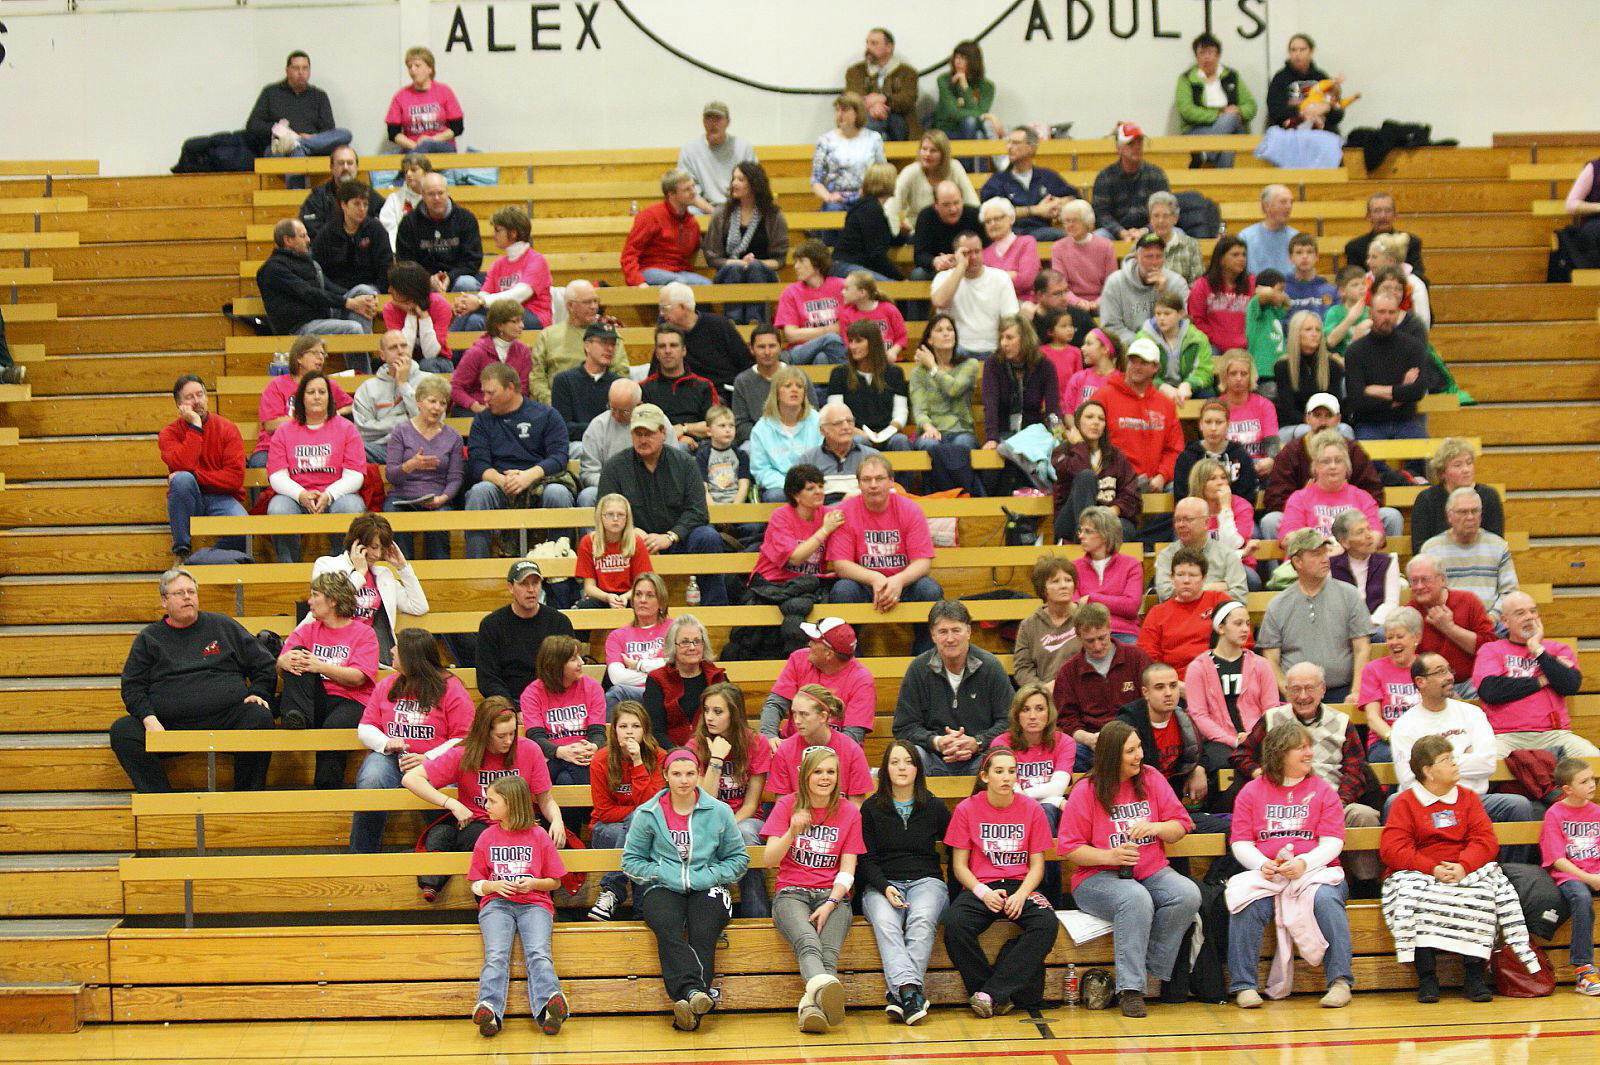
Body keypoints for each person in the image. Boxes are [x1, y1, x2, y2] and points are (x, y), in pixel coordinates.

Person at [1058, 718, 1200, 1018]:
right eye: (1131, 751)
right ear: (1112, 756)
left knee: (1187, 894)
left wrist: (1157, 827)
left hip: (1151, 870)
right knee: (1135, 898)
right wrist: (1110, 856)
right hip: (1097, 877)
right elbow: (1070, 848)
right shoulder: (1086, 790)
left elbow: (1182, 825)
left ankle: (1150, 967)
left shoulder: (1151, 778)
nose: (1139, 756)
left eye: (1139, 748)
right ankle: (1131, 990)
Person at [1380, 735, 1537, 1003]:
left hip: (1465, 868)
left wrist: (1464, 866)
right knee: (1413, 896)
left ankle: (1475, 976)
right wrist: (1431, 869)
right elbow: (1393, 849)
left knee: (1482, 895)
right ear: (1428, 771)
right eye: (1446, 760)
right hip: (1423, 871)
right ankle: (1427, 978)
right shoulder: (1405, 802)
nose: (1455, 763)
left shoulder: (1468, 798)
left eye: (1453, 757)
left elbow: (1485, 841)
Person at [1226, 719, 1353, 1009]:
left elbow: (1333, 842)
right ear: (1280, 754)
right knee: (1244, 901)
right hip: (1269, 874)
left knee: (1326, 900)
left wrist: (1305, 863)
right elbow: (1241, 842)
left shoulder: (1323, 791)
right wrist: (1262, 864)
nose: (1309, 753)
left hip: (1316, 872)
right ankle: (1244, 985)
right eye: (1301, 748)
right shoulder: (1251, 792)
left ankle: (1340, 982)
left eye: (1309, 747)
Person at [113, 569, 276, 794]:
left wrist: (259, 692)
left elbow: (264, 663)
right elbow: (132, 686)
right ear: (164, 601)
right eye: (179, 593)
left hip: (226, 717)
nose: (187, 597)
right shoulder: (149, 638)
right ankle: (161, 801)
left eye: (191, 592)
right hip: (168, 725)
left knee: (259, 716)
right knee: (123, 731)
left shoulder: (223, 626)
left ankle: (247, 798)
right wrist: (149, 718)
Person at [622, 746, 749, 1031]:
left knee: (703, 931)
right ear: (665, 775)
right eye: (677, 774)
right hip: (663, 886)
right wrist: (658, 872)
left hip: (709, 886)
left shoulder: (719, 811)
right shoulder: (648, 813)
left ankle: (688, 1003)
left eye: (690, 774)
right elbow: (630, 861)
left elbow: (739, 860)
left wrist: (712, 874)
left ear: (698, 775)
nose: (684, 780)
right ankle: (696, 994)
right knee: (666, 927)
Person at [402, 695, 565, 901]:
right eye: (501, 736)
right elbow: (411, 778)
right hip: (480, 827)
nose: (508, 741)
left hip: (521, 825)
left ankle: (538, 903)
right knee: (468, 836)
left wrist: (557, 820)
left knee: (546, 838)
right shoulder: (464, 753)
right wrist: (451, 803)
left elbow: (545, 799)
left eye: (512, 733)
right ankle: (490, 901)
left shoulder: (530, 750)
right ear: (484, 733)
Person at [942, 748, 1059, 1016]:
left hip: (1021, 885)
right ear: (984, 776)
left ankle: (990, 994)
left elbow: (1037, 865)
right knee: (955, 925)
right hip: (981, 886)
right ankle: (992, 993)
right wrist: (983, 892)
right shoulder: (966, 809)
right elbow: (959, 866)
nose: (1007, 777)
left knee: (1046, 923)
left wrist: (1022, 894)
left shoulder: (1032, 809)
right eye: (999, 771)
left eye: (1012, 771)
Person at [763, 745, 865, 1033]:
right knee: (808, 943)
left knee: (828, 955)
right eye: (818, 771)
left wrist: (831, 903)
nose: (825, 777)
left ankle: (810, 1009)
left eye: (831, 772)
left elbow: (848, 869)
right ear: (805, 775)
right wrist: (792, 832)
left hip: (833, 895)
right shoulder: (787, 805)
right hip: (791, 892)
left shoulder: (849, 812)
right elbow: (769, 860)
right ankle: (820, 1000)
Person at [349, 627, 474, 853]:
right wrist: (386, 743)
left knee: (443, 788)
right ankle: (362, 856)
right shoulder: (387, 684)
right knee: (371, 780)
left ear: (412, 657)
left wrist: (429, 758)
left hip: (435, 762)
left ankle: (441, 853)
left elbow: (464, 738)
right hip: (391, 758)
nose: (391, 650)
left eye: (398, 647)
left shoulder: (451, 688)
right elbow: (365, 727)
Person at [1389, 652, 1542, 829]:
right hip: (1425, 802)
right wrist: (1464, 757)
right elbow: (1408, 778)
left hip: (1473, 799)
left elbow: (1487, 764)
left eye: (1449, 670)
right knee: (1394, 802)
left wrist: (1435, 764)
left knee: (1518, 805)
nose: (1449, 677)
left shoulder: (1472, 714)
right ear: (1420, 681)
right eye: (1440, 672)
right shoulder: (1404, 725)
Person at [597, 403, 730, 605]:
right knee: (613, 541)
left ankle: (715, 610)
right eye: (638, 434)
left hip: (678, 539)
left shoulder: (686, 463)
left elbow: (699, 511)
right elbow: (603, 511)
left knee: (708, 537)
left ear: (663, 433)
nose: (643, 439)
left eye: (649, 434)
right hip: (632, 543)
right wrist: (631, 532)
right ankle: (617, 606)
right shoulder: (614, 467)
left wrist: (670, 536)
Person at [467, 776, 570, 1038]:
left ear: (511, 804)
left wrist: (534, 883)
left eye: (492, 801)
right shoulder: (486, 836)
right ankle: (489, 1009)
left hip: (534, 905)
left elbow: (555, 882)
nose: (486, 805)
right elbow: (475, 885)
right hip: (497, 905)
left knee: (538, 953)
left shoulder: (539, 836)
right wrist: (492, 886)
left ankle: (550, 1007)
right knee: (496, 955)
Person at [859, 739, 949, 1026]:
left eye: (908, 762)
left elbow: (955, 849)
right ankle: (910, 994)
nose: (902, 768)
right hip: (882, 883)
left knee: (922, 920)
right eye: (895, 762)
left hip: (927, 882)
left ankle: (901, 993)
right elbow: (866, 860)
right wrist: (885, 887)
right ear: (885, 769)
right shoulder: (870, 809)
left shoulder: (935, 806)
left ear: (918, 769)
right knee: (886, 923)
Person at [825, 455, 941, 647]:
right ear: (859, 484)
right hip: (863, 584)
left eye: (879, 478)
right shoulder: (845, 511)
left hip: (904, 583)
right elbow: (841, 565)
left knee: (930, 590)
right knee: (842, 591)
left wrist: (898, 581)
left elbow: (923, 562)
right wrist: (874, 578)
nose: (873, 485)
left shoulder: (910, 509)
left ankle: (925, 658)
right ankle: (849, 658)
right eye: (866, 479)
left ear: (891, 481)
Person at [276, 572, 379, 788]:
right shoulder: (306, 630)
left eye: (315, 595)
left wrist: (320, 666)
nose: (309, 601)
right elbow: (283, 666)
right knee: (297, 653)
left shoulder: (364, 633)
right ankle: (297, 718)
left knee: (334, 726)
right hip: (312, 699)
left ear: (333, 600)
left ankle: (327, 788)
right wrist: (282, 662)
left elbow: (359, 677)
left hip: (349, 700)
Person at [462, 363, 573, 559]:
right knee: (479, 493)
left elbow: (559, 457)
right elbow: (477, 464)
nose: (485, 399)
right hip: (499, 484)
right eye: (483, 393)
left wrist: (528, 476)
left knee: (558, 493)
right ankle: (477, 569)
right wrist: (503, 481)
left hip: (540, 481)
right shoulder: (482, 421)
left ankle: (560, 566)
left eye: (491, 393)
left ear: (511, 388)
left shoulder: (546, 415)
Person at [892, 600, 1014, 776]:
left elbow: (1009, 721)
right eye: (943, 632)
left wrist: (977, 742)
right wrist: (936, 741)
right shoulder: (918, 669)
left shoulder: (990, 666)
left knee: (1001, 760)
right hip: (931, 758)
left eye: (956, 630)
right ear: (932, 635)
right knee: (906, 757)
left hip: (980, 758)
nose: (950, 639)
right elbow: (904, 726)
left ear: (968, 631)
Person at [1474, 591, 1599, 758]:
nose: (1529, 617)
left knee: (1593, 758)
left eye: (1533, 611)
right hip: (1505, 736)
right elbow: (1491, 691)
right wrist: (1544, 679)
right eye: (1520, 613)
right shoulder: (1491, 650)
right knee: (1482, 762)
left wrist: (1537, 650)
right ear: (1505, 621)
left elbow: (1569, 685)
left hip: (1555, 735)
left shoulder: (1558, 649)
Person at [1263, 393, 1402, 540]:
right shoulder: (1291, 451)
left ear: (1338, 419)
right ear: (1307, 418)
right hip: (1303, 518)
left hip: (1351, 518)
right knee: (1271, 521)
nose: (1322, 421)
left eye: (1328, 416)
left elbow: (1373, 491)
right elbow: (1275, 496)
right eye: (1317, 415)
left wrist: (1348, 507)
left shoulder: (1353, 449)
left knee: (1391, 516)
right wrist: (1306, 507)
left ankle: (1377, 556)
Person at [265, 371, 367, 563]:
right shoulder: (284, 431)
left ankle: (342, 567)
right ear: (301, 398)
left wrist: (329, 494)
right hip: (296, 497)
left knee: (351, 507)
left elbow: (355, 475)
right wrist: (301, 495)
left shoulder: (347, 428)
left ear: (329, 397)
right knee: (278, 509)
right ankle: (288, 568)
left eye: (322, 391)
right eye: (311, 392)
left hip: (337, 496)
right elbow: (277, 475)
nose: (317, 396)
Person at [1258, 530, 1371, 702]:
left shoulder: (1349, 594)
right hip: (1297, 697)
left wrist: (1356, 692)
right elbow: (1270, 659)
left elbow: (1362, 648)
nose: (1325, 559)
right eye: (1316, 554)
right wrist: (1289, 693)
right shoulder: (1278, 605)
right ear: (1297, 562)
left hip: (1342, 691)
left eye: (1325, 552)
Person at [689, 683, 772, 917]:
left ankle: (757, 918)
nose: (709, 717)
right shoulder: (696, 745)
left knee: (744, 835)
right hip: (705, 819)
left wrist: (728, 827)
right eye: (706, 710)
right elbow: (703, 801)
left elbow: (751, 805)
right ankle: (712, 916)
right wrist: (716, 759)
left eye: (718, 711)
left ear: (734, 714)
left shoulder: (756, 743)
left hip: (744, 820)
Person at [311, 513, 429, 665]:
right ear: (357, 543)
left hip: (369, 653)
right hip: (333, 651)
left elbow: (419, 607)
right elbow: (328, 603)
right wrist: (360, 573)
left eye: (382, 548)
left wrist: (403, 567)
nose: (378, 554)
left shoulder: (382, 575)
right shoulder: (327, 565)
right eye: (374, 547)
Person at [586, 700, 664, 921]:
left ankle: (613, 891)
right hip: (605, 831)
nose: (629, 732)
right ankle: (643, 910)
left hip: (647, 831)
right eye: (623, 726)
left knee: (640, 830)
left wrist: (638, 762)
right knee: (640, 830)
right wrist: (636, 815)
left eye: (636, 726)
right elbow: (604, 812)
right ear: (614, 730)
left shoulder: (659, 757)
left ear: (645, 730)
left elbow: (653, 805)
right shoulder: (600, 760)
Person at [1054, 602, 1153, 771]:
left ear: (1110, 628)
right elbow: (1067, 720)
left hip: (1135, 738)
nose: (1097, 646)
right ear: (1078, 636)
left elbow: (1152, 702)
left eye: (1102, 638)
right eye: (1090, 641)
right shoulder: (1068, 672)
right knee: (1068, 754)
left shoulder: (1137, 658)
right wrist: (1088, 739)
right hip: (1092, 744)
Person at [160, 374, 246, 561]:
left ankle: (199, 560)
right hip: (188, 499)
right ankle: (182, 551)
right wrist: (196, 427)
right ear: (179, 405)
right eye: (189, 397)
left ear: (207, 397)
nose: (197, 401)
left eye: (200, 395)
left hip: (222, 497)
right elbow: (183, 466)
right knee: (182, 480)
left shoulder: (228, 429)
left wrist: (195, 476)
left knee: (241, 523)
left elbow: (234, 479)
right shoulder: (169, 433)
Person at [1186, 599, 1276, 770]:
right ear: (1220, 628)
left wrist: (1253, 738)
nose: (1245, 629)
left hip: (1258, 738)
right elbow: (1199, 716)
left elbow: (1271, 709)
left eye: (1248, 623)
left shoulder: (1261, 665)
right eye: (1238, 623)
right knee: (1225, 764)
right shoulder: (1198, 667)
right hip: (1219, 742)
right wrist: (1233, 740)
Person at [474, 560, 577, 703]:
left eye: (535, 583)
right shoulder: (491, 625)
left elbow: (568, 670)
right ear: (510, 587)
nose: (531, 589)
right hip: (509, 702)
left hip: (552, 701)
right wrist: (513, 708)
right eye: (523, 584)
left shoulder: (559, 622)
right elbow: (487, 679)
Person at [760, 619, 875, 746]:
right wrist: (769, 736)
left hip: (834, 754)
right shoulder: (799, 659)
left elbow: (852, 737)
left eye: (814, 641)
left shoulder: (862, 680)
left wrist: (820, 756)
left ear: (828, 653)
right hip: (791, 747)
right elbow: (775, 705)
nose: (809, 644)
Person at [1540, 758, 1600, 997]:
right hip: (1570, 875)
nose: (1592, 784)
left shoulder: (1597, 812)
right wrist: (1589, 878)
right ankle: (1583, 970)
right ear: (1568, 789)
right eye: (1584, 781)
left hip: (1596, 872)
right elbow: (1557, 860)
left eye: (1592, 779)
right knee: (1582, 898)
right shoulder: (1555, 814)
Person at [1091, 337, 1183, 491]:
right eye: (1132, 361)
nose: (1136, 367)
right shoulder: (1103, 397)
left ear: (1155, 367)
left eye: (1143, 363)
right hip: (1113, 482)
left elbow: (1174, 449)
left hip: (1155, 483)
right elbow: (1090, 441)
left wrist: (1162, 476)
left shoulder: (1165, 404)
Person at [257, 218, 375, 337]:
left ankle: (365, 343)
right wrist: (347, 302)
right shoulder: (273, 269)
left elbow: (327, 289)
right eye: (303, 236)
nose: (308, 240)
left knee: (363, 292)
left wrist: (354, 300)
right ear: (288, 240)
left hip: (323, 314)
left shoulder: (306, 261)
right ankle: (364, 346)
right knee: (353, 328)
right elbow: (308, 292)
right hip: (299, 327)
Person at [701, 160, 788, 323]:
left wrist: (754, 263)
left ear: (754, 184)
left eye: (740, 180)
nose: (734, 183)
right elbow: (712, 257)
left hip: (763, 272)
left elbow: (779, 260)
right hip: (728, 271)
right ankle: (733, 320)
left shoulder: (773, 215)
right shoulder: (721, 214)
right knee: (735, 269)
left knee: (755, 268)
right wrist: (739, 263)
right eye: (733, 179)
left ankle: (756, 320)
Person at [386, 375, 462, 560]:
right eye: (432, 401)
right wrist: (411, 464)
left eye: (442, 403)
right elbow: (391, 475)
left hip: (436, 500)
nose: (437, 408)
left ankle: (438, 575)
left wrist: (442, 499)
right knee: (394, 520)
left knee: (439, 524)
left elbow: (455, 478)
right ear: (419, 402)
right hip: (401, 499)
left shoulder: (454, 437)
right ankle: (401, 572)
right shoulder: (401, 431)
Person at [520, 633, 607, 795]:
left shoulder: (592, 687)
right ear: (556, 665)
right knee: (571, 770)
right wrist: (562, 752)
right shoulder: (532, 693)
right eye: (574, 659)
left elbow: (598, 732)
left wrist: (593, 747)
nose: (581, 662)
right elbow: (536, 738)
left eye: (579, 657)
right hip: (550, 758)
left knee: (566, 779)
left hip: (585, 757)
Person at [1420, 489, 1518, 623]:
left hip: (1491, 624)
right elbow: (1427, 593)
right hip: (1445, 622)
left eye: (1475, 511)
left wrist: (1490, 619)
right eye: (1463, 512)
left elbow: (1510, 592)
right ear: (1449, 516)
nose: (1470, 517)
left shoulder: (1498, 546)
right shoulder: (1431, 549)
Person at [1345, 291, 1430, 444]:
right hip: (1369, 424)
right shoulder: (1355, 351)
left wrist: (1373, 390)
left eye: (1392, 312)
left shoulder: (1413, 347)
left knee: (1425, 451)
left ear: (1398, 314)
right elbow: (1357, 399)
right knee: (1364, 454)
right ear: (1370, 314)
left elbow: (1417, 391)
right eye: (1382, 312)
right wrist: (1400, 393)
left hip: (1406, 421)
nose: (1387, 317)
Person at [1052, 398, 1140, 544]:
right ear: (1077, 423)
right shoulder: (1061, 453)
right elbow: (1079, 471)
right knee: (1086, 476)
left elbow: (1131, 493)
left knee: (1126, 529)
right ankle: (1088, 532)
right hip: (1072, 523)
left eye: (1101, 419)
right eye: (1089, 417)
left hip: (1107, 520)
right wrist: (1080, 445)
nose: (1096, 422)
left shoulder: (1116, 456)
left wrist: (1114, 510)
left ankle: (1094, 536)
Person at [528, 280, 631, 405]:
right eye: (587, 302)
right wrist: (554, 402)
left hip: (600, 404)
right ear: (570, 306)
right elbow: (537, 378)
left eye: (595, 301)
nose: (594, 307)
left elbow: (621, 374)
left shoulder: (610, 336)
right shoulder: (547, 336)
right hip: (556, 405)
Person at [450, 206, 552, 332]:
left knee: (477, 309)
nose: (494, 235)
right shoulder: (498, 264)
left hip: (533, 316)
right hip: (502, 314)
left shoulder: (536, 260)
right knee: (474, 320)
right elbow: (484, 293)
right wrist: (469, 303)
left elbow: (519, 295)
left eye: (497, 230)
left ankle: (445, 344)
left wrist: (480, 301)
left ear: (513, 233)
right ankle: (452, 343)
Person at [767, 686, 873, 801]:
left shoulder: (851, 750)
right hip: (798, 812)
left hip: (840, 812)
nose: (797, 720)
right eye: (794, 713)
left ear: (823, 716)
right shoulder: (785, 750)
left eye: (804, 714)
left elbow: (856, 805)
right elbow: (782, 804)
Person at [1139, 549, 1236, 673]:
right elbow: (1148, 656)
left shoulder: (1219, 601)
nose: (1186, 580)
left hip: (1217, 673)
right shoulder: (1157, 613)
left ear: (1204, 578)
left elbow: (1241, 638)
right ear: (1172, 578)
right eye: (1180, 575)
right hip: (1173, 680)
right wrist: (1170, 681)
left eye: (1193, 575)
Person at [1277, 431, 1382, 544]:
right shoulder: (1299, 498)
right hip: (1314, 553)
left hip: (1352, 553)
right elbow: (1288, 538)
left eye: (1338, 461)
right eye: (1325, 462)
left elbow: (1376, 535)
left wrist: (1344, 548)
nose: (1333, 466)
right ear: (1315, 467)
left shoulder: (1362, 497)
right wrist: (1321, 548)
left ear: (1347, 466)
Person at [245, 50, 351, 160]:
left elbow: (329, 130)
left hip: (311, 148)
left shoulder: (319, 96)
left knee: (345, 134)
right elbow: (253, 125)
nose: (301, 72)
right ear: (287, 71)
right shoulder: (271, 92)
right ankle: (297, 144)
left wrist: (311, 138)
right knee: (296, 152)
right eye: (296, 68)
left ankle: (299, 143)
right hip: (280, 148)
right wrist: (283, 132)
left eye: (305, 68)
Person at [657, 282, 753, 400]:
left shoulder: (719, 325)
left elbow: (745, 363)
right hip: (688, 396)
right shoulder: (666, 333)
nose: (661, 314)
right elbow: (656, 371)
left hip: (726, 394)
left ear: (683, 307)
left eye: (665, 308)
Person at [980, 314, 1058, 458]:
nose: (1004, 343)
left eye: (1009, 338)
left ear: (1025, 339)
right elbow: (990, 405)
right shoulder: (993, 363)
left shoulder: (1045, 366)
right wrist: (992, 438)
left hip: (1033, 434)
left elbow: (1053, 409)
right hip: (1003, 434)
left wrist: (1057, 435)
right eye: (1001, 338)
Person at [643, 615, 728, 749]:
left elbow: (732, 724)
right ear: (673, 646)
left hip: (714, 752)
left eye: (697, 641)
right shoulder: (657, 679)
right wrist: (681, 755)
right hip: (670, 755)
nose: (692, 647)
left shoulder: (718, 678)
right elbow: (655, 732)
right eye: (685, 642)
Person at [1174, 32, 1257, 167]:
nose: (1206, 57)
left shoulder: (1232, 76)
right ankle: (1224, 180)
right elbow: (1186, 110)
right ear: (1196, 56)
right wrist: (1218, 115)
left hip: (1231, 124)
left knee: (1231, 119)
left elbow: (1250, 105)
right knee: (1227, 145)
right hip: (1197, 130)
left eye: (1210, 52)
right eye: (1202, 53)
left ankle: (1205, 154)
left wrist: (1238, 111)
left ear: (1218, 55)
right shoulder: (1186, 79)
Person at [981, 126, 1076, 240]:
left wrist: (1058, 203)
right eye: (1009, 142)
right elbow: (991, 212)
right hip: (1011, 233)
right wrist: (1036, 210)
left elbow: (1074, 198)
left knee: (1072, 235)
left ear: (1031, 148)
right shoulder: (997, 181)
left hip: (1043, 230)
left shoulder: (1047, 176)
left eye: (1016, 143)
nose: (1009, 147)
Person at [1410, 438, 1505, 552]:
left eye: (1469, 463)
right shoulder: (1427, 500)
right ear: (1442, 472)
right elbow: (1420, 549)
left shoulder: (1489, 496)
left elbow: (1496, 543)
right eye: (1458, 465)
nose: (1466, 470)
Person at [395, 174, 484, 293]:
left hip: (457, 279)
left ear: (447, 192)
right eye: (431, 194)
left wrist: (450, 277)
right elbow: (405, 262)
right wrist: (428, 279)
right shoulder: (409, 222)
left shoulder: (466, 219)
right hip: (422, 281)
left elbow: (473, 260)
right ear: (422, 195)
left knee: (467, 283)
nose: (436, 198)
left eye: (440, 193)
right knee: (407, 285)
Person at [310, 181, 393, 308]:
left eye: (365, 204)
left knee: (363, 293)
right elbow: (318, 269)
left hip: (370, 290)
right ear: (343, 205)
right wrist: (342, 295)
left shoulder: (376, 230)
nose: (362, 209)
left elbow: (385, 267)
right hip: (337, 294)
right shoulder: (328, 232)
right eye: (357, 204)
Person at [1099, 233, 1190, 347]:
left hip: (1169, 347)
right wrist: (1143, 343)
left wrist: (1163, 293)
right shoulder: (1116, 282)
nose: (1154, 262)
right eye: (1148, 257)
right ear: (1136, 258)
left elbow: (1184, 323)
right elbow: (1110, 327)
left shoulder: (1176, 282)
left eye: (1159, 256)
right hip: (1128, 348)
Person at [352, 330, 430, 462]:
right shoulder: (367, 388)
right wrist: (405, 422)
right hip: (381, 449)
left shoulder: (428, 381)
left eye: (404, 346)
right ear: (382, 355)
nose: (400, 351)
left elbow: (428, 422)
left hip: (419, 446)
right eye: (393, 348)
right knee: (352, 449)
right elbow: (363, 430)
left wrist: (403, 384)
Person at [748, 365, 822, 502]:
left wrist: (810, 485)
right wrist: (792, 486)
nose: (794, 390)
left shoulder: (818, 421)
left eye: (799, 386)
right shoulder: (761, 429)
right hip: (780, 487)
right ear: (776, 393)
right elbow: (761, 470)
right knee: (777, 496)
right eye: (788, 386)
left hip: (815, 483)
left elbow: (825, 459)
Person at [1172, 399, 1258, 517]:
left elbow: (1249, 497)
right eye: (1208, 422)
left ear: (1227, 425)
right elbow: (1181, 497)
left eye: (1219, 422)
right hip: (1197, 519)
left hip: (1235, 517)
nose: (1213, 428)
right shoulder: (1187, 457)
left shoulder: (1240, 455)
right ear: (1200, 424)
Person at [621, 168, 704, 288]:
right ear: (671, 194)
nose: (693, 192)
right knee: (679, 283)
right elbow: (629, 253)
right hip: (651, 270)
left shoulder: (691, 222)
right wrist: (638, 282)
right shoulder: (651, 216)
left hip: (680, 272)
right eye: (687, 189)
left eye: (693, 187)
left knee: (707, 286)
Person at [1359, 607, 1423, 761]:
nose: (1394, 642)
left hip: (1423, 740)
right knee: (1406, 757)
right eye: (1389, 637)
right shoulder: (1373, 669)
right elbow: (1373, 718)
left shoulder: (1427, 666)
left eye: (1400, 636)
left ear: (1417, 637)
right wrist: (1396, 739)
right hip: (1385, 740)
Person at [909, 314, 980, 452]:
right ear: (930, 340)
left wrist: (932, 367)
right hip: (931, 431)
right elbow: (919, 409)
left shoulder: (970, 365)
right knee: (929, 445)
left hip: (961, 431)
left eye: (950, 329)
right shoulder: (918, 373)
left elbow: (953, 389)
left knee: (961, 445)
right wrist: (928, 427)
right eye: (939, 330)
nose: (946, 333)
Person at [1156, 495, 1249, 601]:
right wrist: (1212, 588)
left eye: (1187, 519)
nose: (1180, 525)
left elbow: (1239, 596)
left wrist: (1188, 592)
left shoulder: (1227, 555)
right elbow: (1166, 594)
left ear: (1206, 522)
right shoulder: (1167, 555)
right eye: (1177, 520)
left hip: (1217, 611)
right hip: (1179, 611)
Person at [888, 130, 979, 238]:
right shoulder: (910, 172)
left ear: (943, 154)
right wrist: (895, 235)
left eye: (933, 151)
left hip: (953, 231)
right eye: (924, 149)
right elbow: (891, 206)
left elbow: (972, 203)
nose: (927, 154)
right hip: (917, 233)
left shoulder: (955, 168)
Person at [1013, 557, 1082, 696]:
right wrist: (1043, 689)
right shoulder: (1028, 626)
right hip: (1045, 696)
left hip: (1082, 692)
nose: (1064, 585)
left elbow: (1099, 657)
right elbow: (1022, 669)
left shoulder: (1088, 617)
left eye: (1068, 580)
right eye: (1055, 581)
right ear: (1043, 589)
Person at [602, 572, 670, 712]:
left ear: (661, 602)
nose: (642, 600)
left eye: (650, 595)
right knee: (615, 693)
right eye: (638, 594)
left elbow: (677, 668)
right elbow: (617, 678)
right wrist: (660, 674)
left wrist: (638, 665)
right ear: (632, 601)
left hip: (668, 692)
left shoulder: (675, 629)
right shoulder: (617, 636)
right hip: (632, 695)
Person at [1073, 505, 1143, 640]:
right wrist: (1115, 602)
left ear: (1105, 535)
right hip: (1086, 633)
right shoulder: (1073, 567)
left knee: (1132, 651)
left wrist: (1090, 599)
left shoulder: (1131, 564)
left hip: (1123, 632)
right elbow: (1074, 608)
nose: (1081, 536)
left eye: (1088, 531)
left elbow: (1131, 607)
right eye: (1080, 530)